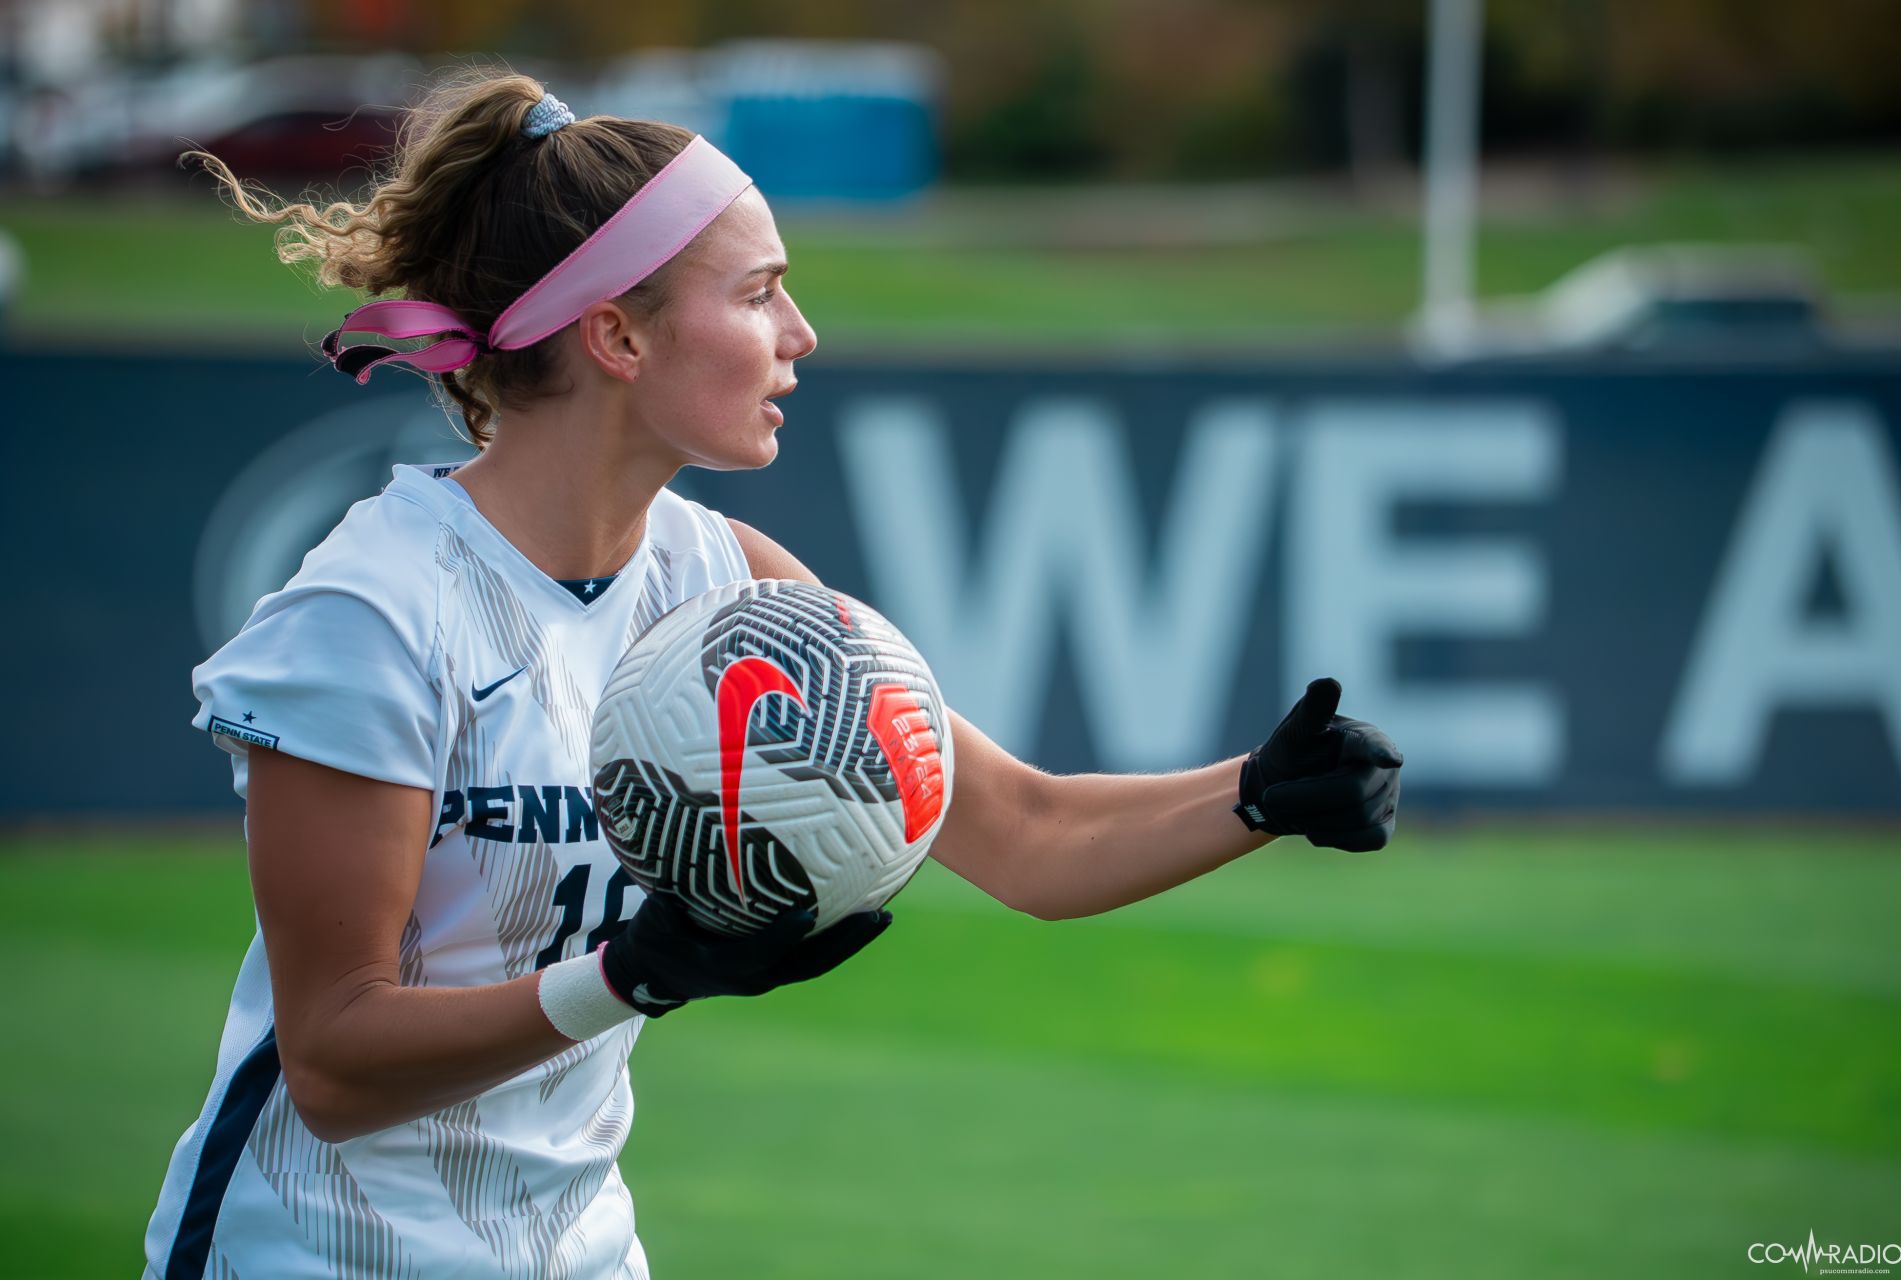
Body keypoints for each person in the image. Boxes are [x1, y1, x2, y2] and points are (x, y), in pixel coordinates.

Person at [143, 69, 1402, 1280]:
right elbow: (334, 1058)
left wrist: (1258, 794)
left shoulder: (728, 582)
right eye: (758, 293)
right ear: (618, 334)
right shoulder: (375, 610)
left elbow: (1025, 832)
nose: (801, 333)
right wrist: (634, 975)